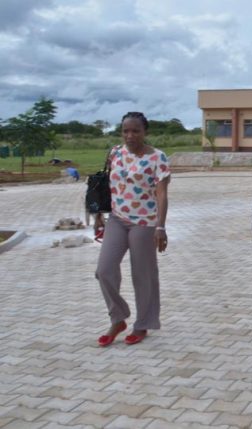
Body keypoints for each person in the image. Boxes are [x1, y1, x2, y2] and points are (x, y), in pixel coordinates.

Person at [95, 112, 170, 347]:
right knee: (104, 270)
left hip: (145, 223)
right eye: (125, 131)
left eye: (135, 130)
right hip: (116, 219)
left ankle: (143, 324)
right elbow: (106, 185)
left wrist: (161, 226)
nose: (130, 135)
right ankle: (118, 318)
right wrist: (98, 214)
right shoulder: (115, 153)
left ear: (144, 131)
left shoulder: (158, 157)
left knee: (143, 275)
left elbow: (161, 194)